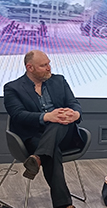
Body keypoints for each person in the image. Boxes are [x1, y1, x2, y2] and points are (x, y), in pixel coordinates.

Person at [3, 50, 83, 208]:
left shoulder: (59, 80)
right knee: (52, 151)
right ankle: (65, 205)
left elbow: (73, 103)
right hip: (34, 137)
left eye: (49, 63)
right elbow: (18, 115)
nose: (48, 68)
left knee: (59, 119)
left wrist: (75, 113)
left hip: (64, 134)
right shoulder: (13, 88)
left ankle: (37, 158)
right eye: (43, 65)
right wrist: (46, 117)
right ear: (30, 67)